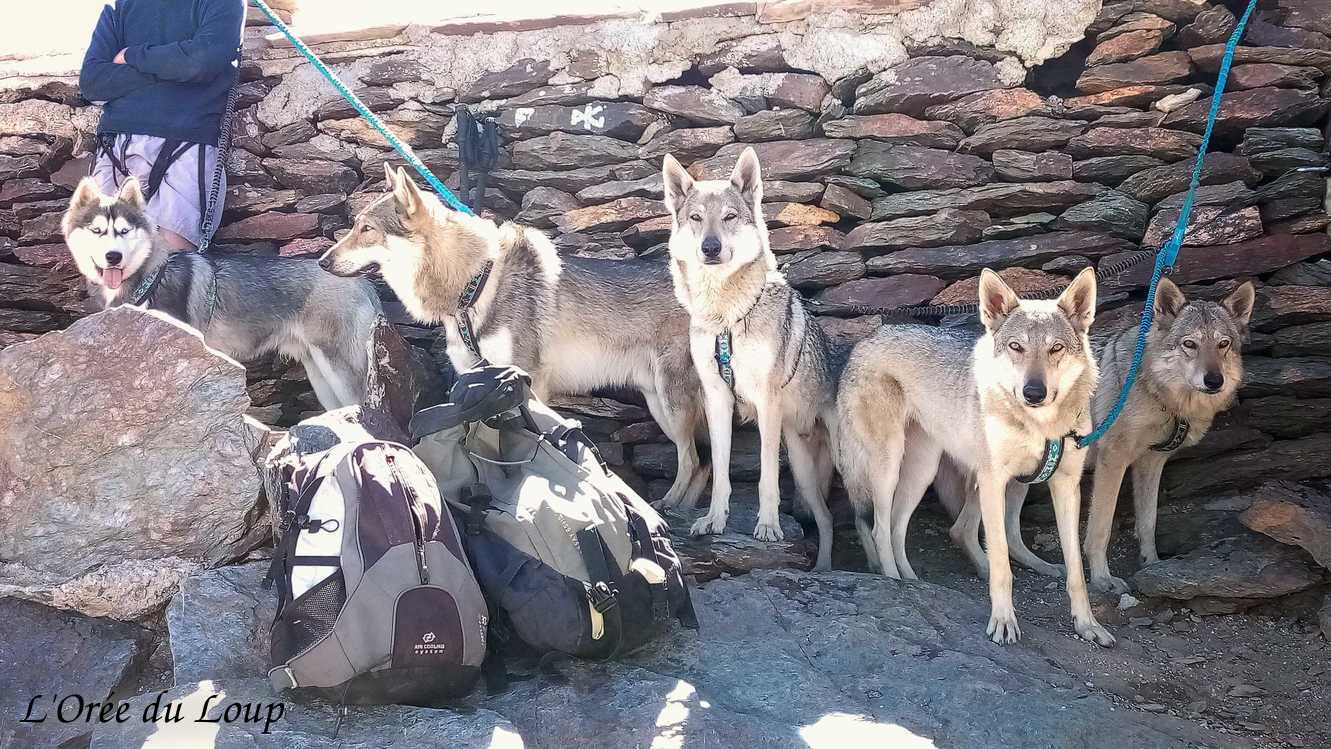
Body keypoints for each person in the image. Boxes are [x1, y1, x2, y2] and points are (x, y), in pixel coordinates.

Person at [79, 0, 245, 251]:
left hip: (189, 142)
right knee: (105, 267)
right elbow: (92, 82)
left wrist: (131, 56)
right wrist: (171, 68)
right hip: (117, 144)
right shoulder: (118, 5)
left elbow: (199, 62)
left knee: (174, 269)